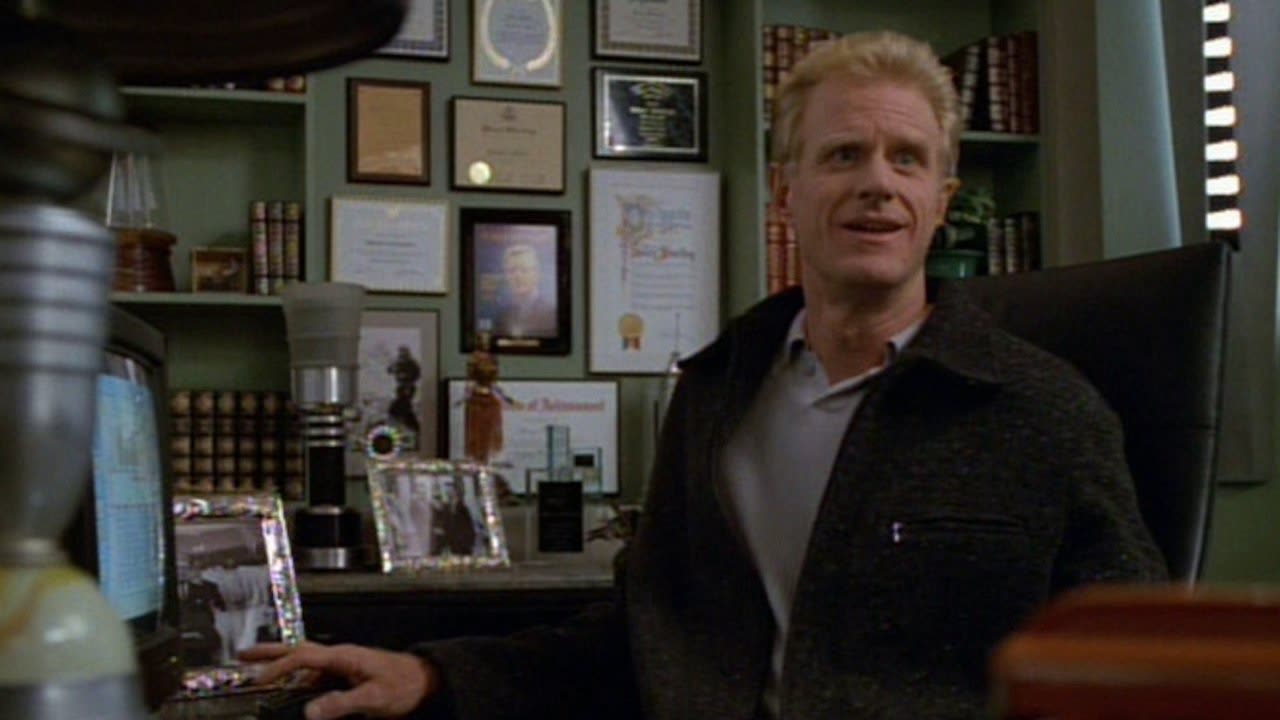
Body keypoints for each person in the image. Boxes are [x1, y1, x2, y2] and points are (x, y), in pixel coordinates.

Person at [243, 30, 1167, 719]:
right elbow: (641, 640)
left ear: (940, 201)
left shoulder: (1044, 412)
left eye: (908, 160)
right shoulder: (719, 395)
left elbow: (1138, 670)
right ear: (786, 192)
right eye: (842, 154)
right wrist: (430, 675)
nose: (878, 183)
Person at [491, 243, 556, 338]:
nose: (517, 276)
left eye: (524, 270)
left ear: (536, 274)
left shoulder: (552, 313)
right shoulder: (501, 317)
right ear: (506, 276)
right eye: (512, 270)